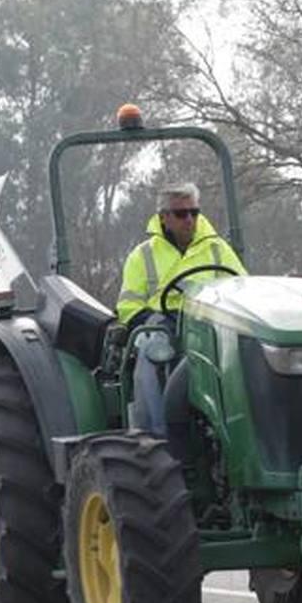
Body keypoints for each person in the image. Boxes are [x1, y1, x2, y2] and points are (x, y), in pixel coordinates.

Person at [116, 182, 246, 433]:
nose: (189, 219)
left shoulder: (218, 249)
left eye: (194, 212)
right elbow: (128, 306)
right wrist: (150, 323)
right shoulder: (142, 256)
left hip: (210, 322)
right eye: (181, 213)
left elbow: (242, 288)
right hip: (164, 323)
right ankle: (157, 435)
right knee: (152, 348)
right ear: (164, 218)